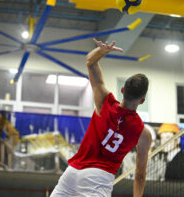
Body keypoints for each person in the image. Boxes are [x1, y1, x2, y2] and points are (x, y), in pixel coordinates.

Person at [50, 39, 152, 197]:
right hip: (97, 178)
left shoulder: (105, 102)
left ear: (123, 89)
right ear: (142, 101)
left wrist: (101, 51)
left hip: (72, 172)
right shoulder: (143, 133)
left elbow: (90, 62)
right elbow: (140, 175)